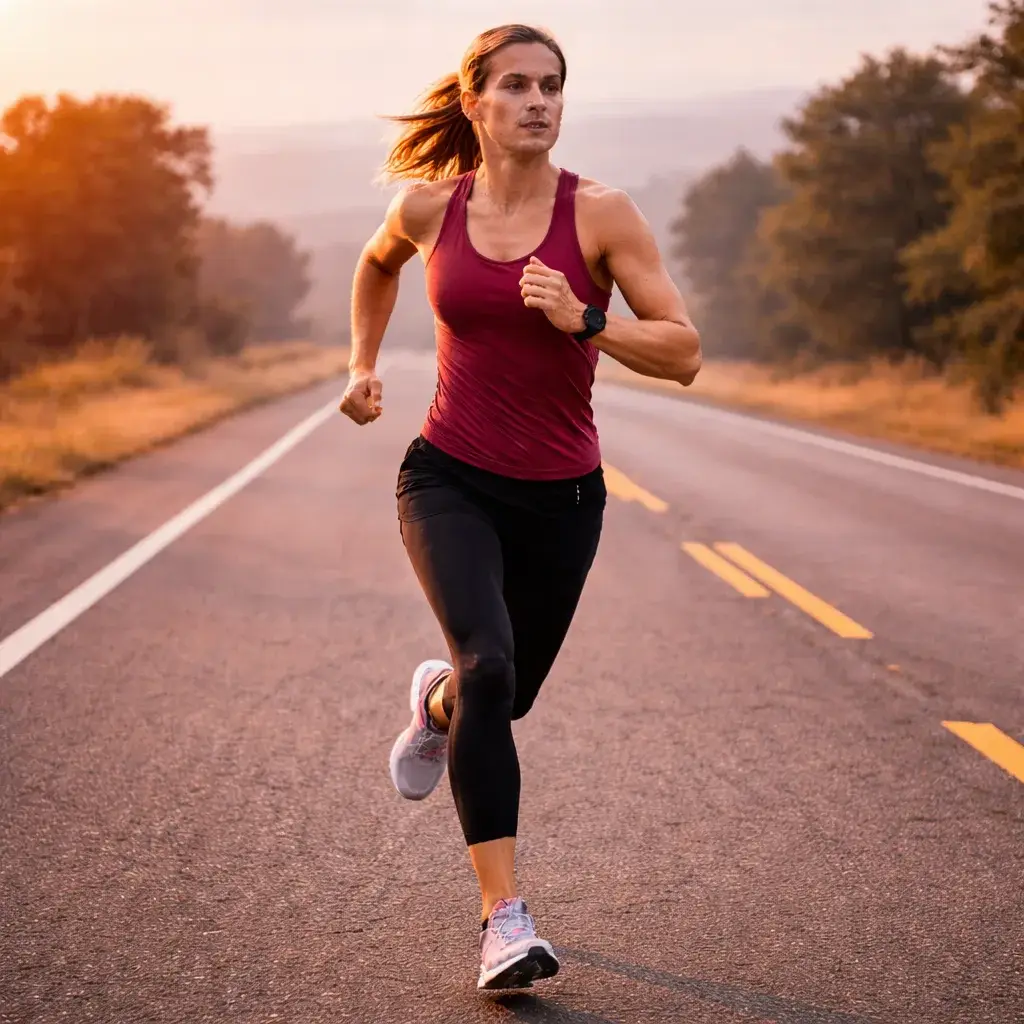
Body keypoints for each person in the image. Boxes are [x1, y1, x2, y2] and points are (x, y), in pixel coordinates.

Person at [339, 23, 701, 991]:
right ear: (475, 103)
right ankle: (503, 918)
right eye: (515, 85)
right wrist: (361, 366)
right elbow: (376, 263)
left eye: (551, 85)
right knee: (491, 667)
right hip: (448, 476)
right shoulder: (429, 207)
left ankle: (436, 704)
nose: (537, 101)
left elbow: (684, 352)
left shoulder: (601, 215)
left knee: (503, 695)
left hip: (564, 498)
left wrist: (585, 319)